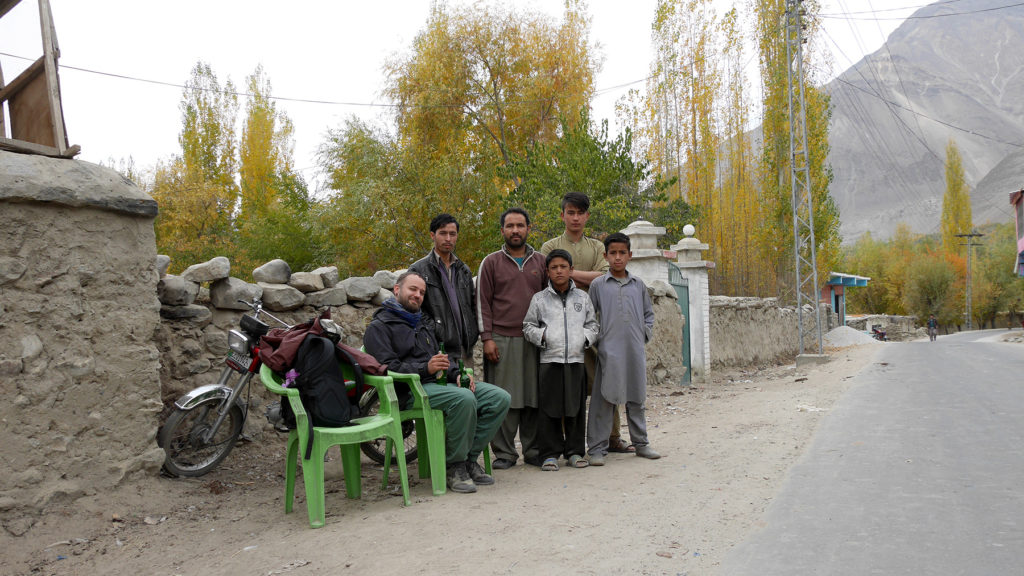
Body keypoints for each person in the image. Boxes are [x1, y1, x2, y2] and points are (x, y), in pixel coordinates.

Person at [364, 271, 511, 494]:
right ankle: (454, 466)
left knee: (499, 398)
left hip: (440, 384)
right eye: (412, 289)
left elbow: (441, 358)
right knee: (463, 398)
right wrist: (425, 368)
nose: (417, 295)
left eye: (422, 292)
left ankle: (468, 459)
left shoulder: (422, 322)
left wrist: (458, 374)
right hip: (408, 391)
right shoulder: (379, 327)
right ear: (397, 290)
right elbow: (386, 367)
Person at [539, 192, 632, 454]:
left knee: (605, 381)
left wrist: (568, 273)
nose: (576, 217)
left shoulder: (597, 248)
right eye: (571, 212)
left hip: (595, 325)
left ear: (587, 216)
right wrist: (584, 277)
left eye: (580, 213)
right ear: (563, 215)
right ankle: (569, 443)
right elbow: (552, 281)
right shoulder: (548, 247)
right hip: (560, 329)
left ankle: (612, 436)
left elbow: (605, 276)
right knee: (566, 387)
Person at [477, 207, 547, 469]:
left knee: (533, 397)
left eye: (520, 225)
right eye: (510, 226)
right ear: (502, 230)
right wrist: (487, 338)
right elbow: (481, 302)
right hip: (501, 339)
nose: (515, 230)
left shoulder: (541, 262)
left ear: (529, 228)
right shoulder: (491, 262)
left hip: (534, 339)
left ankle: (533, 450)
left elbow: (548, 301)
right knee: (505, 399)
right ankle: (505, 454)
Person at [587, 232, 660, 465]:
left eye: (622, 253)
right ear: (605, 256)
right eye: (613, 253)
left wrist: (643, 334)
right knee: (605, 397)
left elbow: (649, 315)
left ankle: (641, 443)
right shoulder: (598, 285)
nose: (618, 258)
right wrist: (600, 341)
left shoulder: (638, 285)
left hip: (634, 350)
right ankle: (597, 448)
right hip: (609, 351)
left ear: (630, 255)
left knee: (637, 396)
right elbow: (590, 317)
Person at [523, 249, 599, 471]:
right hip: (549, 361)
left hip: (576, 360)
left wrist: (583, 339)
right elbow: (528, 326)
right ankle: (549, 454)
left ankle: (575, 452)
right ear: (547, 271)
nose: (559, 271)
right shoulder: (540, 299)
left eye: (563, 267)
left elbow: (593, 325)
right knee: (549, 409)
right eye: (554, 267)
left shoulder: (582, 298)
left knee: (575, 407)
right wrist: (543, 337)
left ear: (571, 270)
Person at [408, 213, 479, 368]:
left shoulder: (463, 270)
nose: (448, 239)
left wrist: (472, 332)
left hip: (464, 350)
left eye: (452, 234)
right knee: (448, 391)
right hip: (437, 350)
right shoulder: (418, 269)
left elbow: (472, 306)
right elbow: (413, 309)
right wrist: (436, 330)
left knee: (468, 389)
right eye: (443, 233)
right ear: (432, 235)